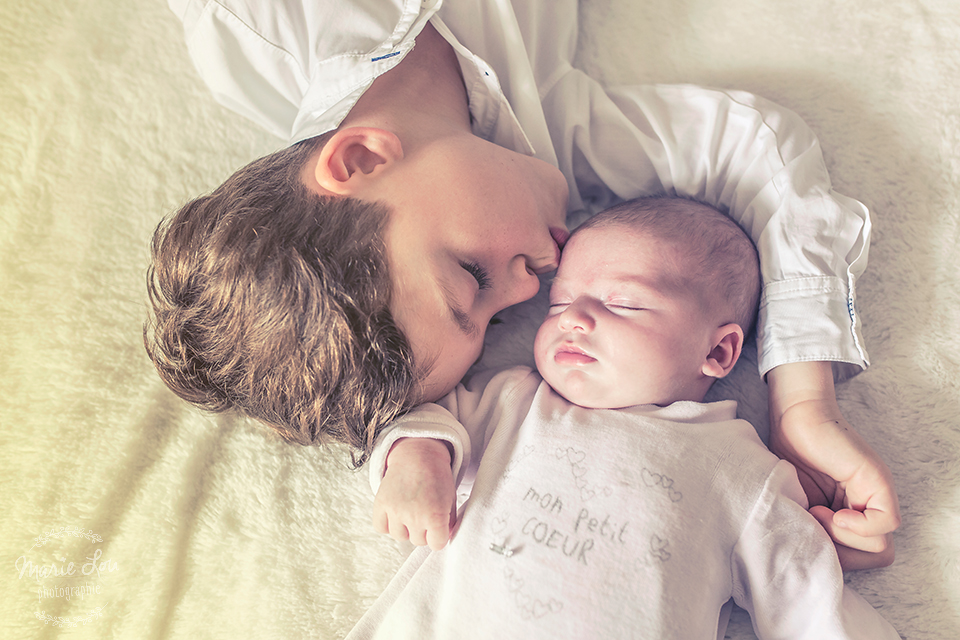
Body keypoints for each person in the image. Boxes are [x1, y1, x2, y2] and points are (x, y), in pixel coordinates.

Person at [148, 0, 898, 567]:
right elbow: (756, 149)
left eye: (470, 278)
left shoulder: (252, 27)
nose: (531, 288)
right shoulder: (553, 141)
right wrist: (803, 403)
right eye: (495, 318)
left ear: (361, 160)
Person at [355, 197, 900, 640]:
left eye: (623, 304)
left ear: (719, 353)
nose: (575, 318)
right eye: (559, 302)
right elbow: (428, 416)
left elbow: (804, 598)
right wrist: (418, 457)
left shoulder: (743, 471)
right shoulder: (515, 402)